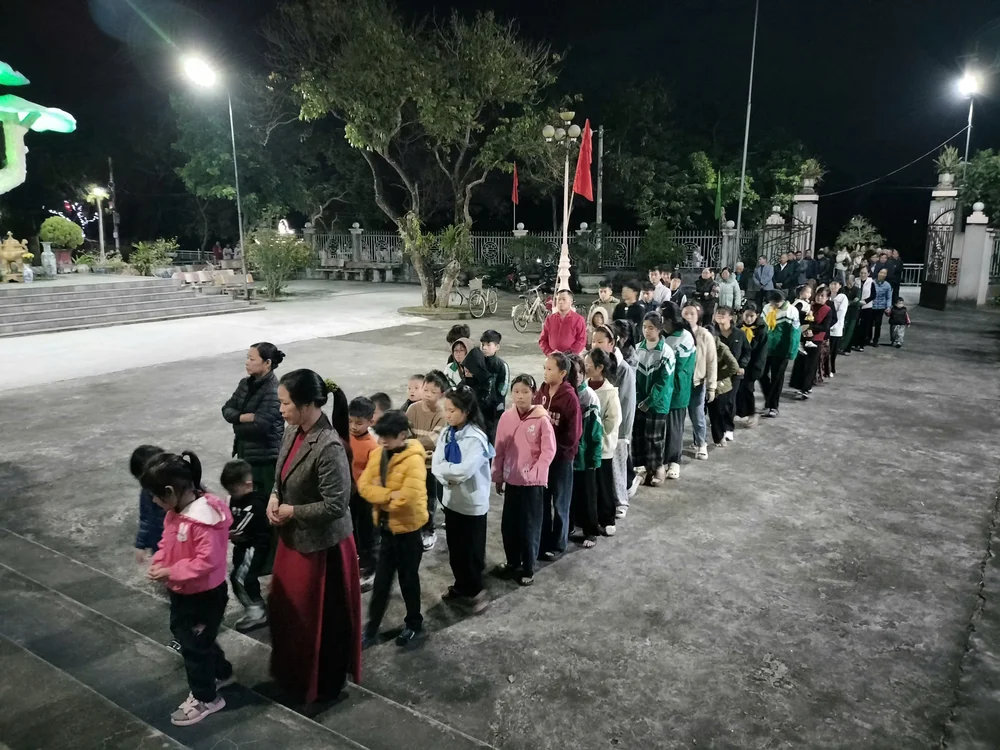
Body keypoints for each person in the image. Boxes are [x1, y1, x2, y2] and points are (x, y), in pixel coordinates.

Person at [268, 371, 361, 706]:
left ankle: (324, 684)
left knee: (322, 620)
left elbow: (336, 505)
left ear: (306, 404)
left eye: (285, 403)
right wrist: (274, 497)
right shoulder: (293, 431)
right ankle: (293, 675)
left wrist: (292, 511)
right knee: (289, 613)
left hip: (324, 549)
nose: (280, 409)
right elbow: (281, 476)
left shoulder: (329, 445)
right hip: (295, 540)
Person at [141, 451, 232, 726]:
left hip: (204, 596)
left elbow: (207, 561)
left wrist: (171, 571)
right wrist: (160, 561)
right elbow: (167, 543)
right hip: (183, 591)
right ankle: (221, 671)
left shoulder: (204, 520)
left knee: (193, 647)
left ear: (171, 491)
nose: (154, 502)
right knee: (195, 637)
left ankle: (206, 698)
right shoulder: (176, 513)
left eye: (156, 496)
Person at [358, 410, 428, 648]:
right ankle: (371, 628)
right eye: (380, 436)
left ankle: (414, 624)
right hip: (386, 531)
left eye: (388, 437)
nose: (382, 441)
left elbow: (406, 499)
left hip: (409, 533)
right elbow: (363, 486)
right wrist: (388, 495)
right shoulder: (379, 454)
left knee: (409, 582)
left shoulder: (414, 460)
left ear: (402, 435)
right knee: (381, 584)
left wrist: (380, 496)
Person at [432, 385, 495, 614]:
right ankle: (461, 585)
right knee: (456, 548)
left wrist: (447, 473)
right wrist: (447, 476)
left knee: (472, 551)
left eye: (452, 411)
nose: (447, 415)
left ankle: (476, 591)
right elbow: (436, 464)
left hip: (471, 504)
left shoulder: (476, 438)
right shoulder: (446, 433)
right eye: (446, 410)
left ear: (466, 411)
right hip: (452, 502)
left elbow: (464, 471)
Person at [493, 374, 556, 585]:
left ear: (534, 393)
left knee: (529, 526)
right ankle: (513, 562)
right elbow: (499, 449)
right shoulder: (506, 418)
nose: (520, 396)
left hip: (532, 484)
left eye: (525, 392)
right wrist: (498, 475)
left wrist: (537, 473)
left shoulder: (541, 419)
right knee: (509, 525)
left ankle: (528, 567)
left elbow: (548, 451)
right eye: (516, 392)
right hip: (513, 480)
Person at [533, 352, 582, 560]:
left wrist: (555, 451)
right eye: (544, 368)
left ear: (562, 373)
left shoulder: (570, 398)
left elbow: (573, 434)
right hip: (543, 459)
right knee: (543, 501)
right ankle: (543, 540)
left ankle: (559, 544)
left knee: (560, 502)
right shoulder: (542, 392)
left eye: (550, 369)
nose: (545, 372)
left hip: (562, 460)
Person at [221, 343, 285, 499]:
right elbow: (226, 409)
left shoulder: (273, 390)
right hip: (245, 453)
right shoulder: (245, 384)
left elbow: (260, 426)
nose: (247, 362)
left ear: (267, 363)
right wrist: (242, 418)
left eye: (252, 359)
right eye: (247, 358)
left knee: (263, 500)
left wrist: (236, 425)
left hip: (265, 459)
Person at [221, 459, 271, 632]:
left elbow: (237, 529)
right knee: (237, 575)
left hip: (254, 547)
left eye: (233, 490)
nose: (231, 494)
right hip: (241, 546)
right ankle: (253, 607)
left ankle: (257, 611)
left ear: (248, 485)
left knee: (241, 578)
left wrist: (222, 531)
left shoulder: (255, 504)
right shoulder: (235, 498)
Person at [406, 371, 448, 551]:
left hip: (431, 466)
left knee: (429, 499)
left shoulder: (443, 415)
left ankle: (429, 531)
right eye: (426, 390)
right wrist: (416, 447)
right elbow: (405, 433)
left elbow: (433, 440)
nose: (428, 394)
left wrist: (411, 445)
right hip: (412, 463)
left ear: (442, 394)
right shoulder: (412, 409)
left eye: (433, 391)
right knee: (413, 497)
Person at [633, 311, 675, 486]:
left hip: (658, 403)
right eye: (644, 327)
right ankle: (642, 468)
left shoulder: (666, 352)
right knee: (638, 435)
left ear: (659, 329)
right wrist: (638, 398)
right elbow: (633, 377)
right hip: (639, 401)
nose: (646, 331)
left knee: (654, 438)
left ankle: (658, 468)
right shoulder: (637, 349)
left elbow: (664, 382)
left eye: (651, 327)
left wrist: (649, 401)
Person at [567, 354, 604, 547]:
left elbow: (595, 431)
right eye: (572, 372)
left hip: (584, 455)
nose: (577, 376)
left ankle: (591, 532)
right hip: (567, 456)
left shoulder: (588, 396)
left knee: (588, 494)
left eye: (580, 372)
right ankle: (569, 527)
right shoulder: (563, 394)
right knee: (568, 494)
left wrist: (594, 458)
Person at [585, 348, 622, 535]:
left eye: (588, 365)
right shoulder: (584, 387)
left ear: (599, 368)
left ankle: (607, 518)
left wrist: (596, 435)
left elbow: (612, 420)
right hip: (586, 446)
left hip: (602, 447)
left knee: (604, 483)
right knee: (589, 485)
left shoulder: (609, 392)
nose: (585, 368)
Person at [348, 397, 380, 589]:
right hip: (349, 495)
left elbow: (375, 476)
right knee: (353, 531)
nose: (353, 426)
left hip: (366, 498)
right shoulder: (345, 437)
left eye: (359, 423)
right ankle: (358, 562)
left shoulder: (372, 446)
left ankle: (370, 570)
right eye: (350, 421)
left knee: (368, 534)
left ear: (370, 421)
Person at [662, 303, 696, 478]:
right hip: (661, 389)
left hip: (676, 389)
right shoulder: (661, 336)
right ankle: (661, 460)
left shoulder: (684, 337)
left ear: (670, 320)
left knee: (674, 426)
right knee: (660, 427)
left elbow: (678, 367)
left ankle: (674, 461)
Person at [681, 302, 716, 461]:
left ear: (698, 316)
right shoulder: (677, 334)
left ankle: (701, 444)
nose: (688, 316)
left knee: (697, 416)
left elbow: (711, 362)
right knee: (677, 418)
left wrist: (711, 387)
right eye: (685, 313)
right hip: (679, 384)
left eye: (692, 314)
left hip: (697, 383)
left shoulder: (704, 335)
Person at [759, 291, 801, 418]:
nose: (774, 305)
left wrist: (792, 351)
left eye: (776, 303)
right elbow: (761, 327)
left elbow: (795, 332)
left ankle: (773, 406)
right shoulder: (767, 308)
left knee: (777, 378)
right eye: (772, 303)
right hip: (766, 348)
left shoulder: (791, 311)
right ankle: (769, 399)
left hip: (782, 350)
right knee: (761, 373)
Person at [789, 286, 831, 398]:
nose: (819, 298)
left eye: (822, 296)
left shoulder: (827, 310)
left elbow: (825, 326)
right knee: (801, 363)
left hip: (815, 340)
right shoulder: (808, 305)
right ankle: (800, 386)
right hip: (803, 338)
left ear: (827, 298)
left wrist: (812, 330)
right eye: (818, 295)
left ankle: (806, 388)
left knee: (810, 365)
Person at [714, 306, 749, 442]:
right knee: (716, 401)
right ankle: (717, 426)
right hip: (717, 373)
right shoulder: (712, 333)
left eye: (723, 313)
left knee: (729, 400)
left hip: (734, 373)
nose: (720, 315)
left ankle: (728, 428)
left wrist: (742, 366)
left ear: (731, 317)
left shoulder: (739, 334)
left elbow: (747, 351)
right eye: (718, 313)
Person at [451, 337, 497, 437]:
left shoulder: (488, 382)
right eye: (465, 371)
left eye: (469, 371)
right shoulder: (465, 381)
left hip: (484, 425)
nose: (466, 374)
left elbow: (486, 404)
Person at [735, 304, 767, 427]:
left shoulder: (761, 331)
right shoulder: (738, 328)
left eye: (752, 316)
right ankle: (739, 412)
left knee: (748, 389)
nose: (748, 319)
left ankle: (751, 414)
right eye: (746, 315)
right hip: (739, 364)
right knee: (738, 389)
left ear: (757, 315)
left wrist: (757, 369)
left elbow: (762, 353)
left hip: (752, 365)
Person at [707, 330, 740, 447]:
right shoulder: (701, 346)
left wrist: (717, 375)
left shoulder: (722, 348)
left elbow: (734, 366)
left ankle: (722, 436)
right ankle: (718, 437)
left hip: (721, 386)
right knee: (712, 413)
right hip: (706, 384)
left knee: (719, 412)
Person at [539, 289, 588, 356]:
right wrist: (549, 353)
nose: (560, 302)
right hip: (552, 357)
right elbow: (543, 340)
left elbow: (581, 340)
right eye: (558, 299)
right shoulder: (549, 319)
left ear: (571, 301)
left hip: (571, 358)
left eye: (564, 299)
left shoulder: (579, 320)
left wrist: (569, 354)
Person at [480, 329, 510, 438]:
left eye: (488, 345)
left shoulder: (502, 366)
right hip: (480, 408)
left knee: (494, 436)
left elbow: (503, 390)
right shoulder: (478, 363)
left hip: (496, 409)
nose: (484, 347)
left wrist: (492, 401)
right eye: (483, 344)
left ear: (497, 347)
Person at [613, 281, 646, 346]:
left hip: (633, 341)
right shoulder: (619, 307)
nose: (623, 292)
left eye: (627, 290)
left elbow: (639, 327)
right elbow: (614, 322)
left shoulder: (639, 309)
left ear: (635, 292)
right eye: (623, 291)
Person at [853, 266, 877, 351]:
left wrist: (866, 301)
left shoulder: (871, 282)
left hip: (867, 307)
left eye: (865, 273)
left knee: (865, 326)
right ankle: (855, 342)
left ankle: (862, 344)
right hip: (857, 306)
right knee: (856, 325)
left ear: (868, 273)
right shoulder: (856, 281)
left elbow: (873, 295)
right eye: (861, 273)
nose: (863, 275)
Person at [827, 280, 848, 376]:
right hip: (826, 327)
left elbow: (841, 313)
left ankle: (831, 368)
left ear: (840, 286)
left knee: (833, 350)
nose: (833, 286)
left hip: (836, 328)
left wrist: (833, 325)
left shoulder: (842, 297)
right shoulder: (826, 296)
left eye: (836, 284)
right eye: (832, 284)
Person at [839, 274, 861, 356]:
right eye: (848, 283)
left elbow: (857, 300)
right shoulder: (843, 289)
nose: (849, 285)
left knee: (850, 331)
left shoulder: (857, 290)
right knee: (843, 330)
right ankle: (839, 347)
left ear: (854, 282)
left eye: (851, 283)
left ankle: (846, 348)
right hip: (844, 313)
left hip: (853, 313)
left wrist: (848, 302)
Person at [871, 268, 893, 346]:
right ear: (878, 273)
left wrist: (888, 307)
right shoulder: (872, 282)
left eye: (884, 273)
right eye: (881, 272)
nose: (882, 274)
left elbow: (889, 297)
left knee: (878, 324)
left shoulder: (887, 285)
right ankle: (867, 338)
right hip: (871, 306)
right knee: (869, 323)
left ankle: (876, 340)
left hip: (881, 307)